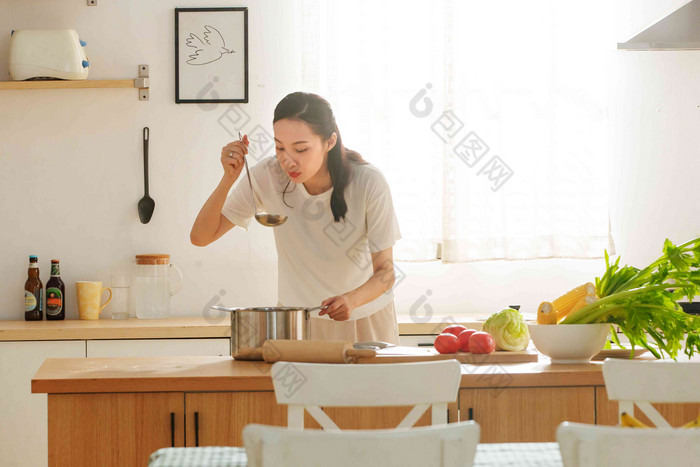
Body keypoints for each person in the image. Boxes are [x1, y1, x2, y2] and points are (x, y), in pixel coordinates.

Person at [190, 92, 402, 344]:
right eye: (280, 147)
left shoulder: (368, 182)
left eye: (301, 149)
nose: (287, 159)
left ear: (330, 141)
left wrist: (351, 300)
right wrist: (228, 178)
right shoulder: (267, 176)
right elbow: (201, 237)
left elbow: (386, 274)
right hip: (295, 323)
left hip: (365, 321)